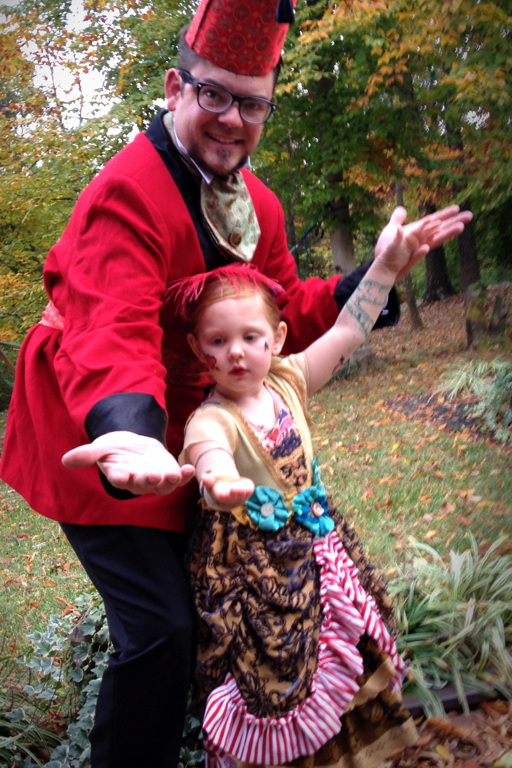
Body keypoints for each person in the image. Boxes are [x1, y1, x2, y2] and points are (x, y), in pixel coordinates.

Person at [0, 0, 473, 766]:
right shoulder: (127, 191)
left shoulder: (261, 206)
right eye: (213, 94)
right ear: (174, 88)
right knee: (162, 630)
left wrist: (379, 272)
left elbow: (283, 314)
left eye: (251, 103)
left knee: (241, 601)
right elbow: (111, 325)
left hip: (198, 435)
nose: (232, 118)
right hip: (99, 432)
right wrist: (127, 432)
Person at [177, 208, 466, 768]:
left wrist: (385, 266)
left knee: (343, 649)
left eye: (251, 337)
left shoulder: (290, 379)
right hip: (259, 575)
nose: (236, 351)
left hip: (318, 550)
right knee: (283, 673)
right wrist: (220, 482)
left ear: (278, 338)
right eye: (218, 339)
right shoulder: (212, 418)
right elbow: (209, 458)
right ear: (197, 348)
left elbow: (350, 330)